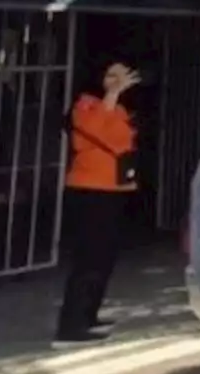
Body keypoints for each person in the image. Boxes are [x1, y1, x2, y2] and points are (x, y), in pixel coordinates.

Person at [54, 62, 141, 346]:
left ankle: (88, 315)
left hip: (115, 189)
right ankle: (71, 326)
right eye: (110, 75)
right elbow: (94, 131)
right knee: (88, 260)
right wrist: (112, 95)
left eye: (122, 76)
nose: (117, 81)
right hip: (90, 190)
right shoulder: (86, 105)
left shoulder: (120, 110)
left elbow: (123, 142)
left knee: (104, 258)